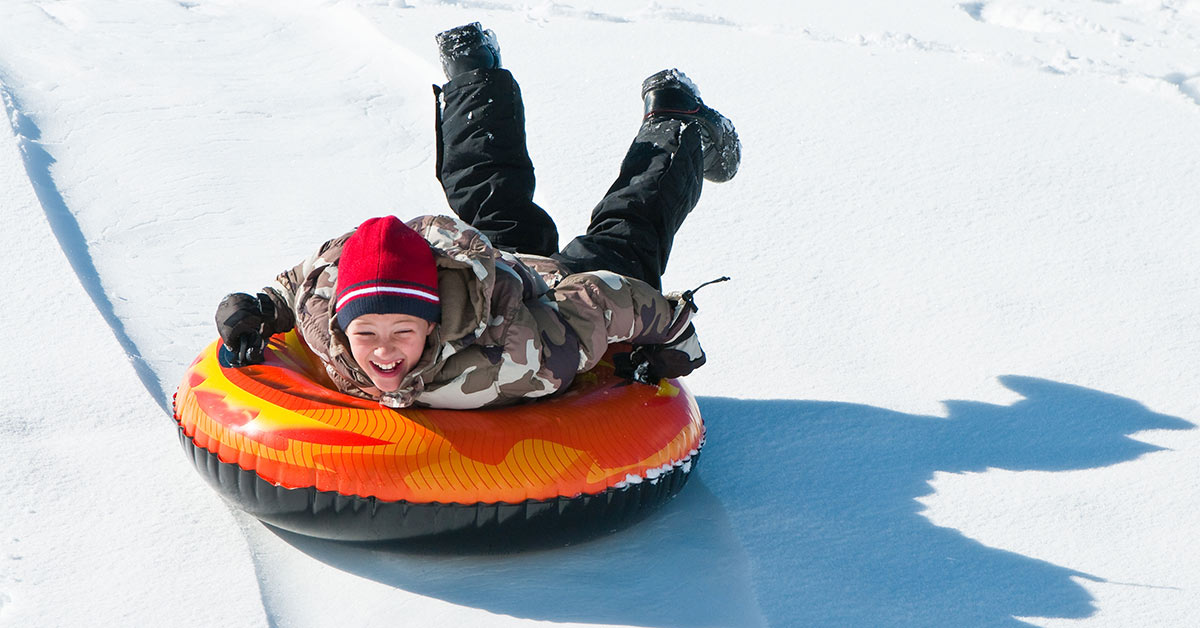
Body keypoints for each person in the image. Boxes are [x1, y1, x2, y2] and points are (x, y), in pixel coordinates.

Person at [214, 22, 740, 410]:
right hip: (489, 266)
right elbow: (306, 284)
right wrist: (258, 307)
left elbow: (602, 300)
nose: (384, 351)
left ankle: (677, 118)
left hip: (556, 298)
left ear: (432, 321)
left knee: (628, 232)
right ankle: (473, 74)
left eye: (402, 330)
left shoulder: (516, 358)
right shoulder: (322, 319)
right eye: (367, 332)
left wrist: (675, 338)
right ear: (341, 325)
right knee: (486, 195)